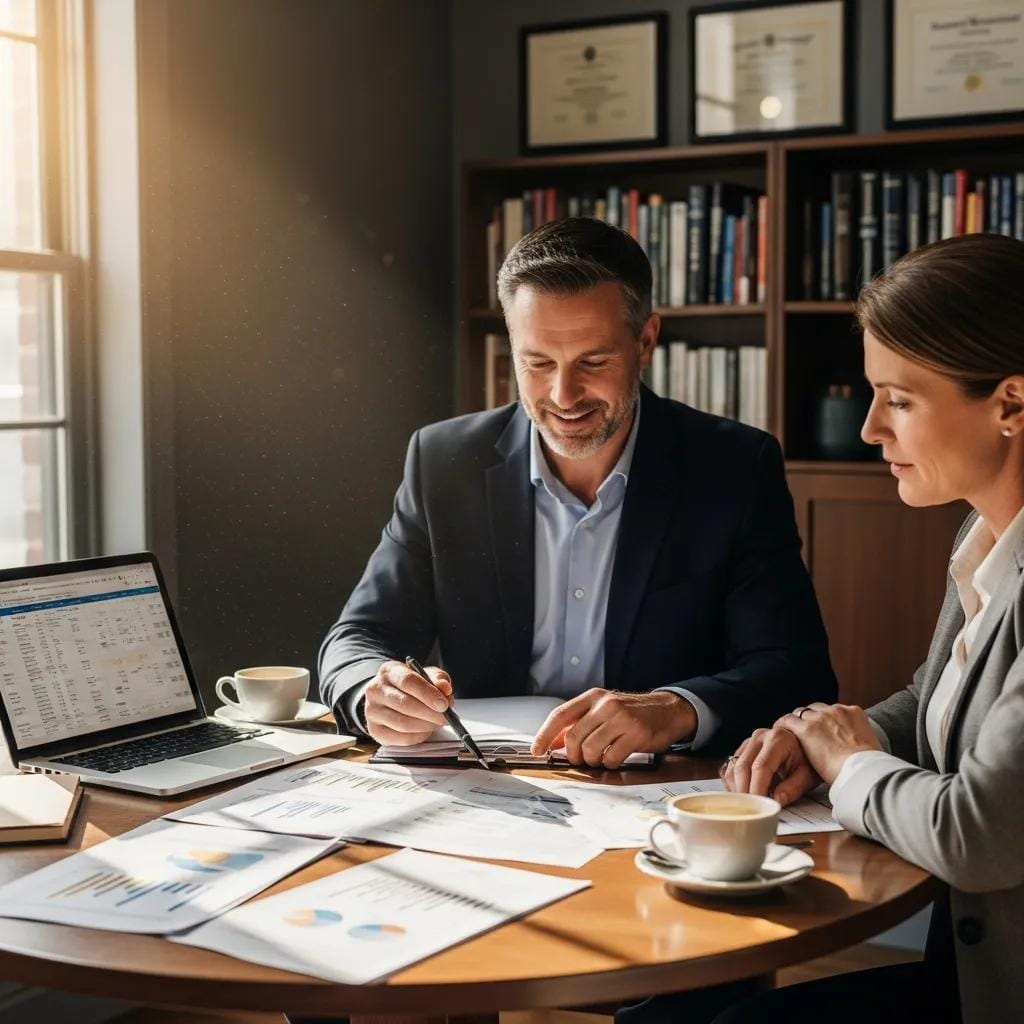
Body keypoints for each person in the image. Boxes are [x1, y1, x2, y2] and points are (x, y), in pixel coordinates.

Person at [319, 216, 835, 766]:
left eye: (594, 361)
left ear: (645, 341)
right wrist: (373, 690)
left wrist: (672, 708)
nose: (563, 395)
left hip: (660, 791)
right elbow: (356, 638)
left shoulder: (734, 467)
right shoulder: (444, 461)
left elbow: (796, 672)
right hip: (491, 786)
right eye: (537, 363)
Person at [719, 233, 1024, 1024]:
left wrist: (850, 766)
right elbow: (941, 697)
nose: (869, 429)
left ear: (1012, 404)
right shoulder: (981, 536)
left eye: (900, 399)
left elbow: (975, 838)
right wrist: (823, 738)